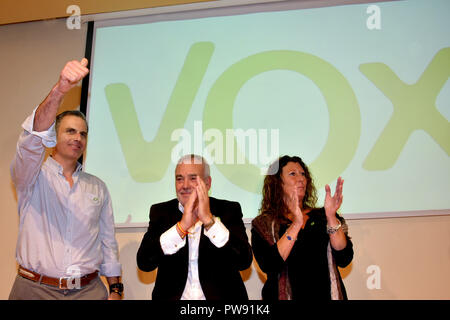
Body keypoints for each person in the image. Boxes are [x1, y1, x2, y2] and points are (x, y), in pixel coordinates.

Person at [9, 58, 123, 300]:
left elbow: (107, 240)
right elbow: (32, 139)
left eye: (83, 133)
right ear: (53, 137)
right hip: (34, 290)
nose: (78, 138)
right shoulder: (31, 176)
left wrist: (115, 288)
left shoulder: (97, 187)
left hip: (88, 291)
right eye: (70, 131)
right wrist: (60, 90)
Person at [137, 154, 253, 300]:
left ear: (207, 183)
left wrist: (209, 222)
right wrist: (181, 227)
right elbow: (144, 262)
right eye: (179, 179)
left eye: (193, 178)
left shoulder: (228, 209)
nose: (185, 185)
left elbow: (244, 261)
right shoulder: (161, 212)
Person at [251, 155, 353, 300]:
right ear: (278, 183)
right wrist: (296, 224)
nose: (301, 179)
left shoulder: (323, 216)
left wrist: (331, 217)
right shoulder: (264, 223)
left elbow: (344, 257)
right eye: (293, 174)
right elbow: (270, 265)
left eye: (303, 174)